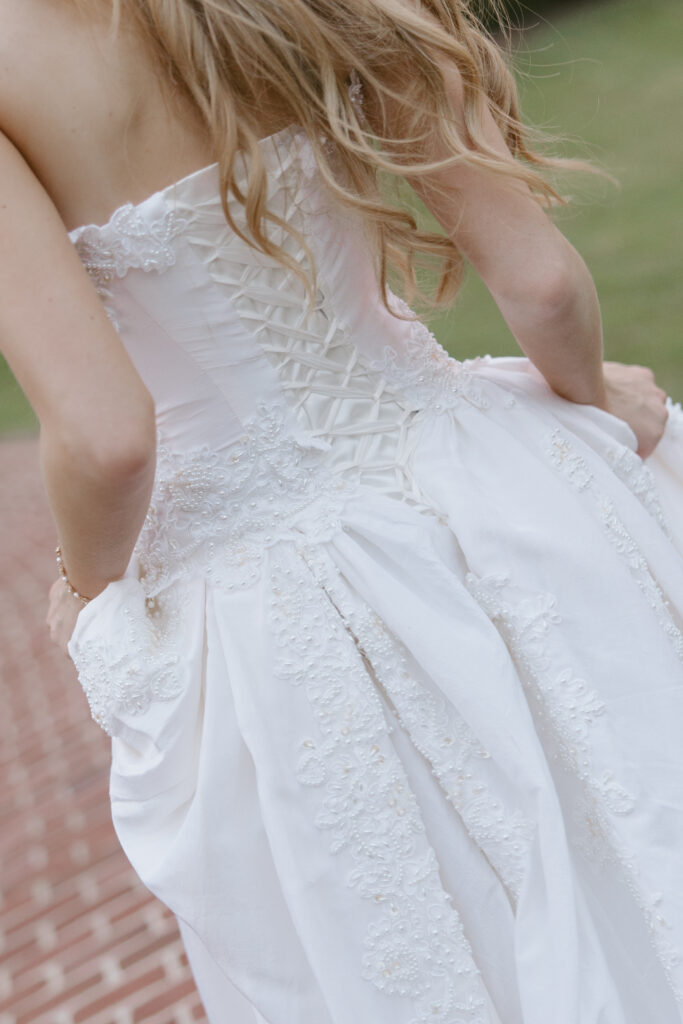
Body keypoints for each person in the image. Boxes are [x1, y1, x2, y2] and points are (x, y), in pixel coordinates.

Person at [1, 0, 681, 1020]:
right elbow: (540, 283)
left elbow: (107, 439)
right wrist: (594, 399)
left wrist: (89, 592)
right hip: (485, 486)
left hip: (273, 614)